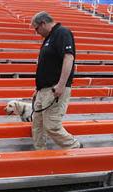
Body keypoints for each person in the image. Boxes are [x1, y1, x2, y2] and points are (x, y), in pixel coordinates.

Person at [31, 11, 82, 150]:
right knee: (37, 125)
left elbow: (68, 58)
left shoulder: (62, 33)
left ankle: (75, 147)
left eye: (37, 28)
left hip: (54, 89)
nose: (37, 32)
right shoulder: (49, 37)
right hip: (44, 90)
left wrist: (61, 85)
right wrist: (38, 90)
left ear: (43, 23)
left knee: (51, 126)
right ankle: (40, 154)